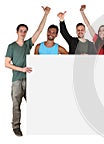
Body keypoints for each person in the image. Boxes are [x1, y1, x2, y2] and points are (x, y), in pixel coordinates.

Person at [4, 6, 51, 136]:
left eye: (25, 31)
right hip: (17, 80)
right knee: (16, 105)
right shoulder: (11, 46)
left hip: (29, 79)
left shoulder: (28, 44)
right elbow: (6, 64)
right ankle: (16, 127)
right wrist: (21, 69)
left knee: (35, 103)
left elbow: (39, 30)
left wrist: (46, 14)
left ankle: (39, 125)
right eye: (21, 31)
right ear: (17, 31)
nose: (23, 33)